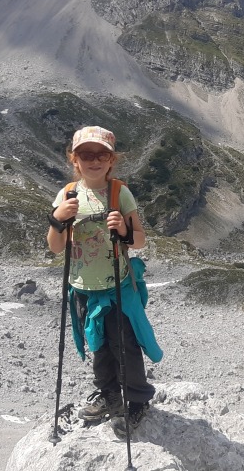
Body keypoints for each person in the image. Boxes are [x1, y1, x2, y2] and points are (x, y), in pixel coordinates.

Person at [47, 125, 161, 437]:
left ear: (112, 160)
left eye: (102, 155)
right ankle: (110, 395)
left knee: (124, 345)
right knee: (99, 346)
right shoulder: (67, 194)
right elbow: (55, 247)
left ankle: (137, 399)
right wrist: (58, 220)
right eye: (86, 154)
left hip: (117, 287)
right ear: (75, 159)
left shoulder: (119, 192)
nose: (94, 160)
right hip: (83, 288)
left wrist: (124, 231)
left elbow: (139, 240)